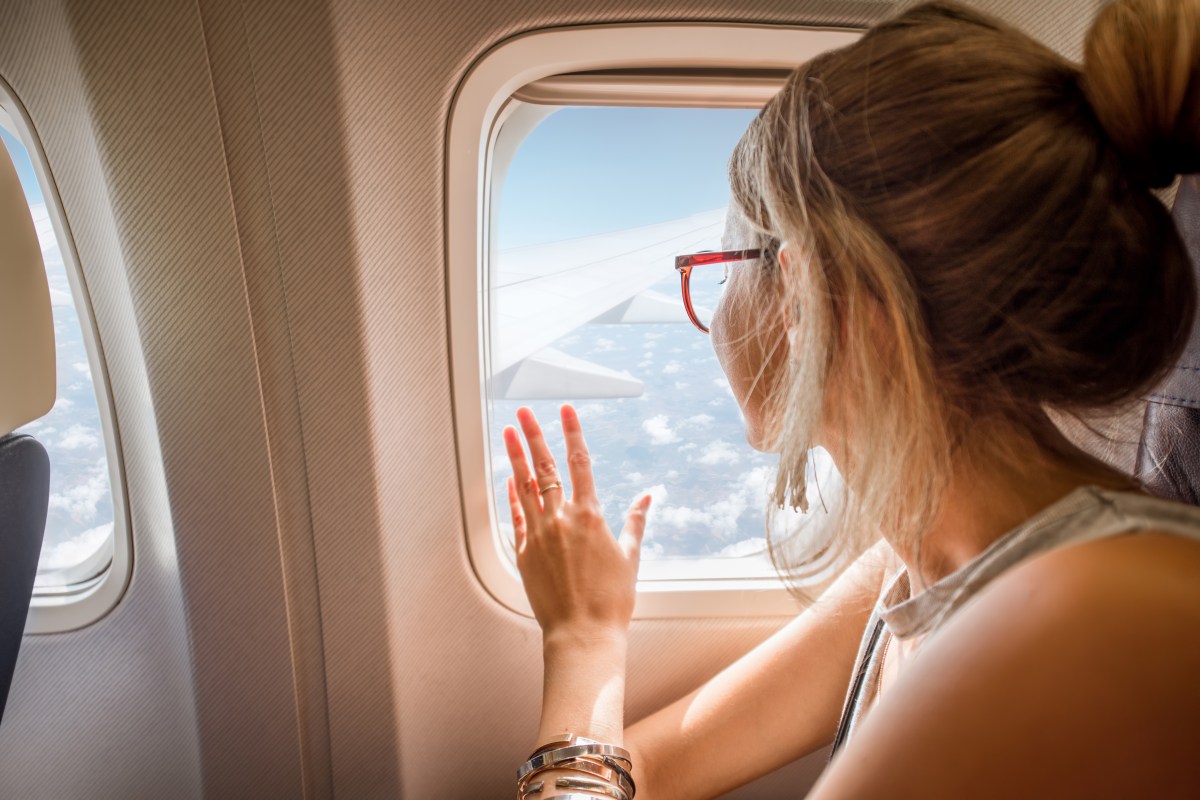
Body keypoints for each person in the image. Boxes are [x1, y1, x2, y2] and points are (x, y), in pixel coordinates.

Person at [504, 0, 1200, 797]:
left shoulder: (1081, 613)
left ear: (803, 294)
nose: (715, 311)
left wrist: (582, 643)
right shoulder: (922, 565)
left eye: (726, 264)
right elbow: (651, 770)